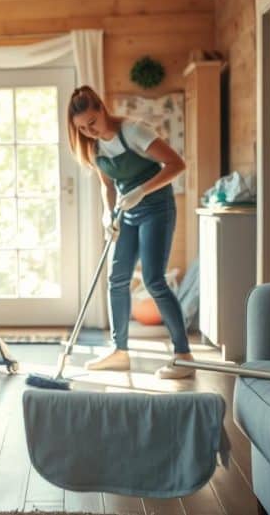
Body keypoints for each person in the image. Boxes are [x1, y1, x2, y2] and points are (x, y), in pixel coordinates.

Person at [66, 85, 194, 379]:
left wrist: (141, 190)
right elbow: (107, 186)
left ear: (101, 109)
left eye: (92, 122)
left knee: (154, 279)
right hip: (126, 212)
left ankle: (183, 355)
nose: (91, 131)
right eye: (83, 129)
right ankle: (119, 351)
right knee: (117, 278)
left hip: (157, 209)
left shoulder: (134, 131)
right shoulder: (93, 146)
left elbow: (176, 164)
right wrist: (107, 214)